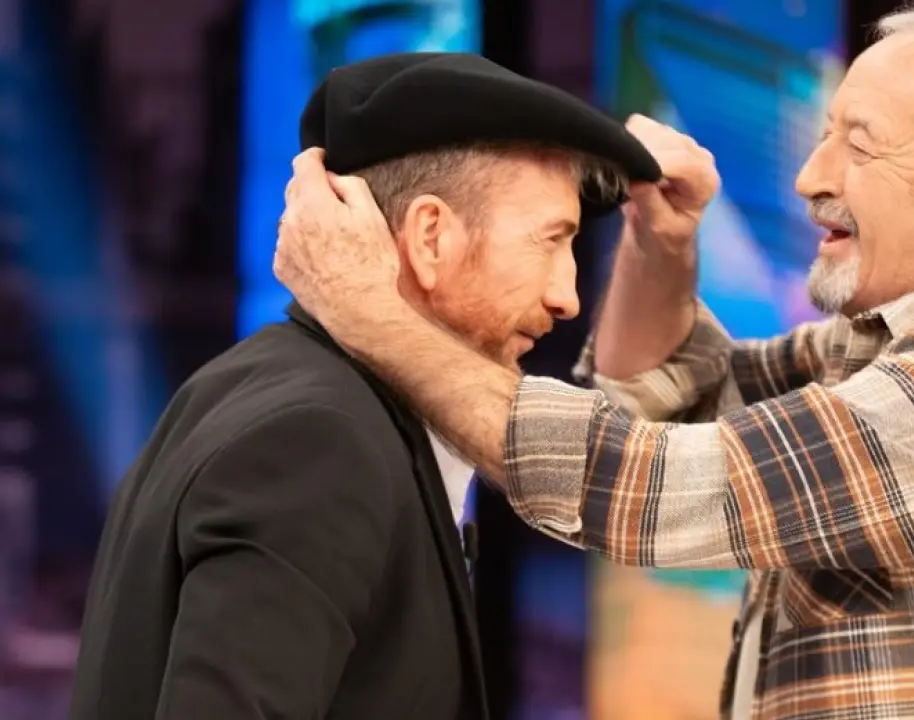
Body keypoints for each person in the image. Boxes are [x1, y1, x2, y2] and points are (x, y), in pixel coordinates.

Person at [273, 4, 914, 719]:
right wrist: (661, 242)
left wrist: (365, 307)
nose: (811, 176)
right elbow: (669, 402)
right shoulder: (906, 343)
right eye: (824, 132)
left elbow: (640, 481)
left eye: (859, 144)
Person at [69, 52, 659, 720]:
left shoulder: (259, 389)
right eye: (550, 241)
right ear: (430, 237)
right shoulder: (317, 440)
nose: (567, 298)